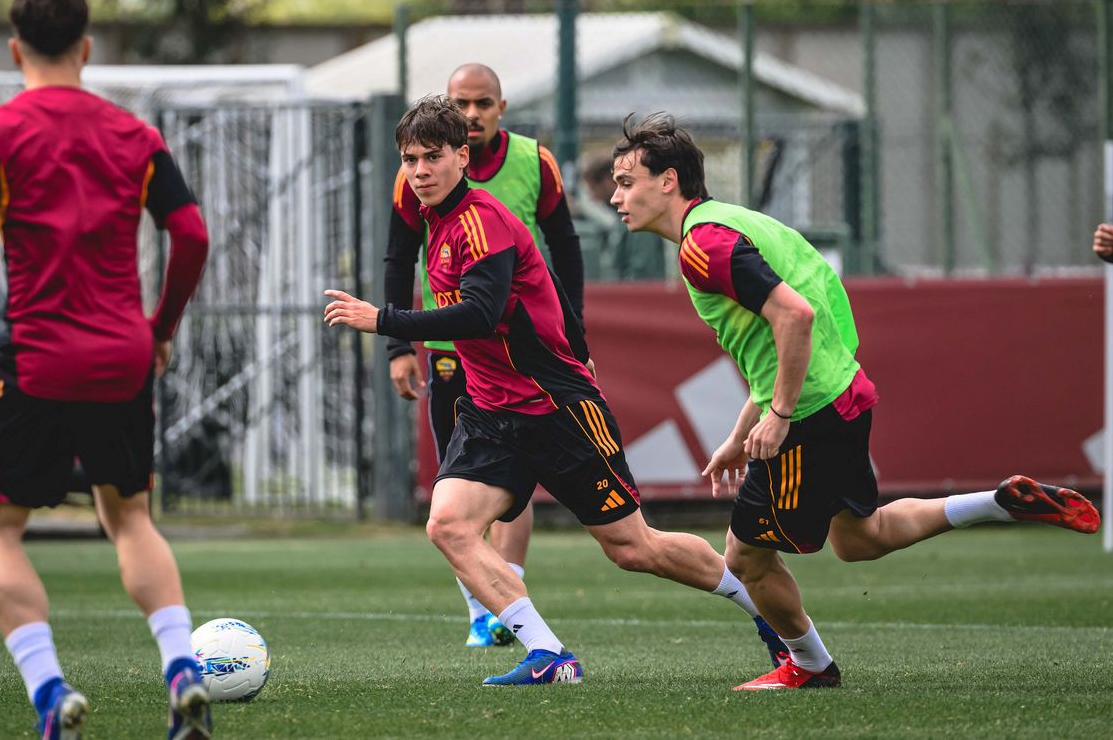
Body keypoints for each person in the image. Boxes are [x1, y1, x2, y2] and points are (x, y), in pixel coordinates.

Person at [608, 111, 1101, 691]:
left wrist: (780, 414)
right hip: (841, 393)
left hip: (810, 412)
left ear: (668, 181)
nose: (617, 195)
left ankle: (812, 666)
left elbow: (796, 315)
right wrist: (742, 433)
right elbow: (777, 338)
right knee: (859, 539)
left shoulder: (702, 245)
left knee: (745, 560)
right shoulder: (731, 222)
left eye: (626, 181)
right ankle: (996, 502)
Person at [327, 95, 789, 686]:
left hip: (556, 408)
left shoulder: (481, 219)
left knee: (633, 548)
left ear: (462, 157)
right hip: (493, 411)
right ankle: (549, 654)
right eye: (410, 160)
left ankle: (763, 612)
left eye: (432, 157)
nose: (419, 172)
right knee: (448, 525)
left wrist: (384, 321)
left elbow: (481, 312)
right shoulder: (432, 221)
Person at [0, 0, 213, 739]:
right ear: (87, 48)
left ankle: (51, 692)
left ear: (15, 49)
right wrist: (159, 327)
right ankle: (183, 666)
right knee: (129, 518)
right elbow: (190, 235)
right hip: (122, 356)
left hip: (38, 357)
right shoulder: (135, 135)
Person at [383, 63, 585, 648]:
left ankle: (508, 594)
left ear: (500, 108)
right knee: (459, 480)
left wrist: (576, 338)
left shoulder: (533, 163)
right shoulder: (415, 172)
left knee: (518, 481)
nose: (471, 114)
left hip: (522, 353)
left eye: (482, 103)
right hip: (451, 347)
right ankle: (481, 611)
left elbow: (563, 250)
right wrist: (401, 346)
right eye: (460, 103)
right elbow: (399, 260)